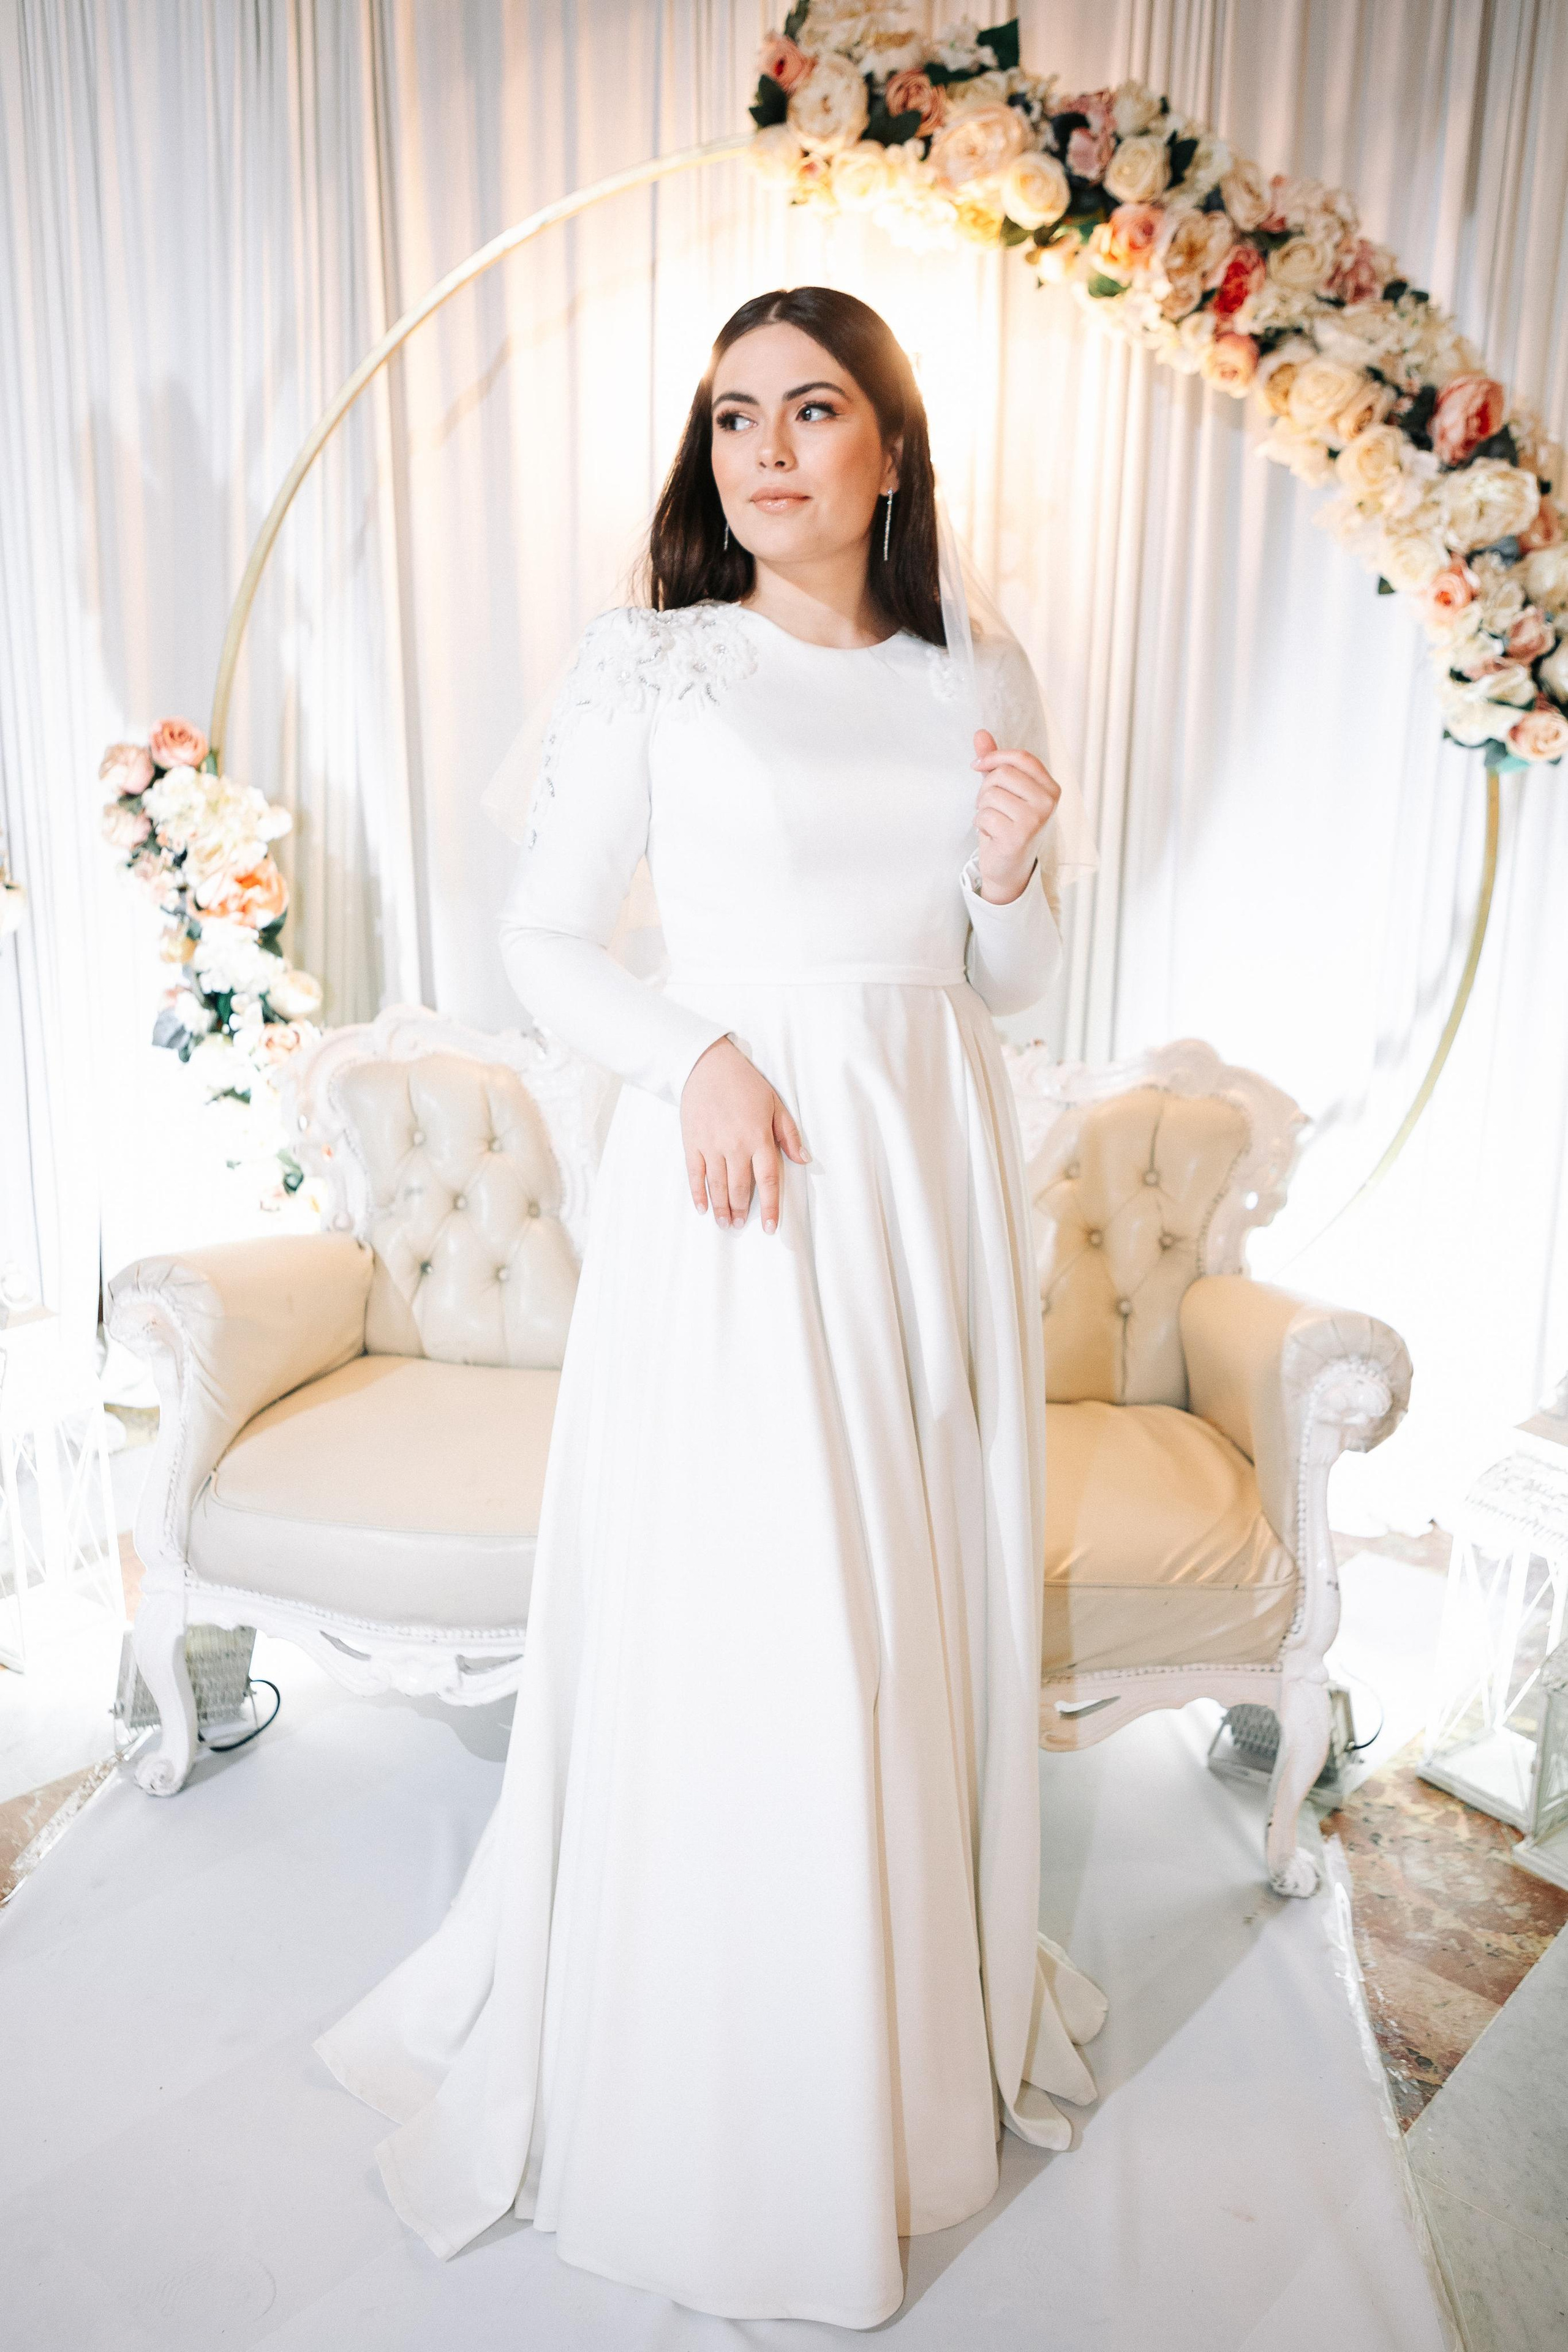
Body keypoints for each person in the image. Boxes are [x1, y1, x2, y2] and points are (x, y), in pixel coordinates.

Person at [315, 284, 1105, 2329]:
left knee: (903, 1588)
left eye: (814, 409)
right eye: (735, 413)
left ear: (890, 452)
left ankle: (902, 2026)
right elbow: (543, 939)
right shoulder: (651, 669)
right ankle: (740, 2081)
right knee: (767, 1606)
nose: (767, 448)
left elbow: (1008, 987)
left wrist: (1016, 881)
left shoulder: (974, 670)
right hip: (740, 1184)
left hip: (917, 1173)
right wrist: (699, 1060)